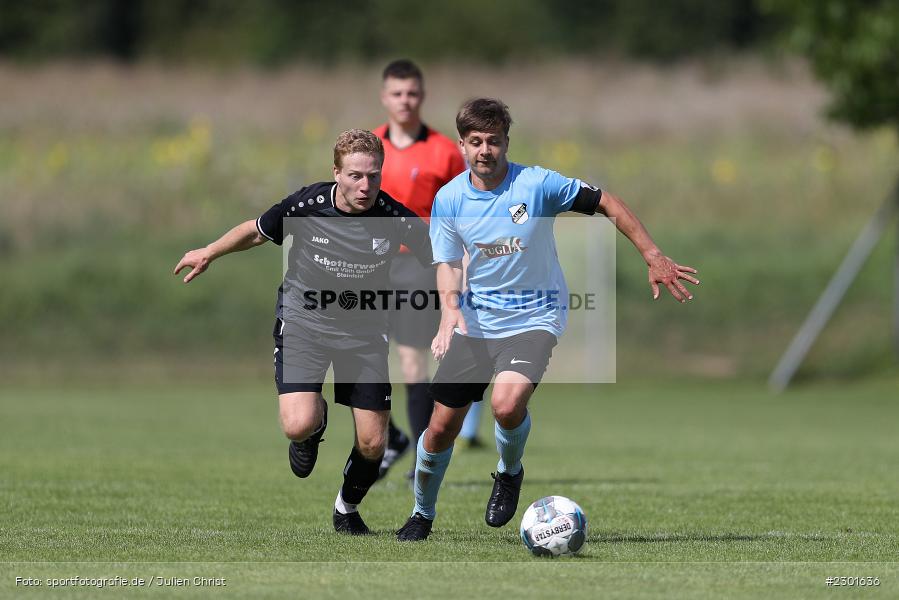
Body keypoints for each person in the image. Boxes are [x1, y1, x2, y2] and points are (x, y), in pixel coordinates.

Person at [396, 99, 699, 541]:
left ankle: (508, 471)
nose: (486, 150)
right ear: (462, 145)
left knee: (505, 404)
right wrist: (450, 311)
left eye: (494, 141)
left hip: (536, 316)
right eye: (476, 142)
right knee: (440, 428)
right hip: (477, 322)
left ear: (506, 142)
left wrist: (652, 255)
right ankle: (421, 514)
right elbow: (446, 263)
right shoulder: (449, 199)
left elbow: (607, 203)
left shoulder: (537, 184)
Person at [173, 129, 432, 535]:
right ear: (336, 172)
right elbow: (257, 230)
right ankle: (314, 425)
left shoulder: (394, 217)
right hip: (303, 325)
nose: (365, 186)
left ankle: (346, 508)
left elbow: (443, 256)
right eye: (355, 176)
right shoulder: (308, 204)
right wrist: (209, 252)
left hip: (364, 333)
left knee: (372, 443)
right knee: (297, 424)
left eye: (373, 176)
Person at [372, 59, 474, 479]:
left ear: (422, 96)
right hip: (367, 265)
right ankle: (390, 437)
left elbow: (464, 210)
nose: (404, 101)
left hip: (417, 264)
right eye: (397, 93)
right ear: (384, 97)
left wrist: (464, 266)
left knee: (413, 363)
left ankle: (419, 457)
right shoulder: (368, 146)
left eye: (411, 93)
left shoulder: (444, 151)